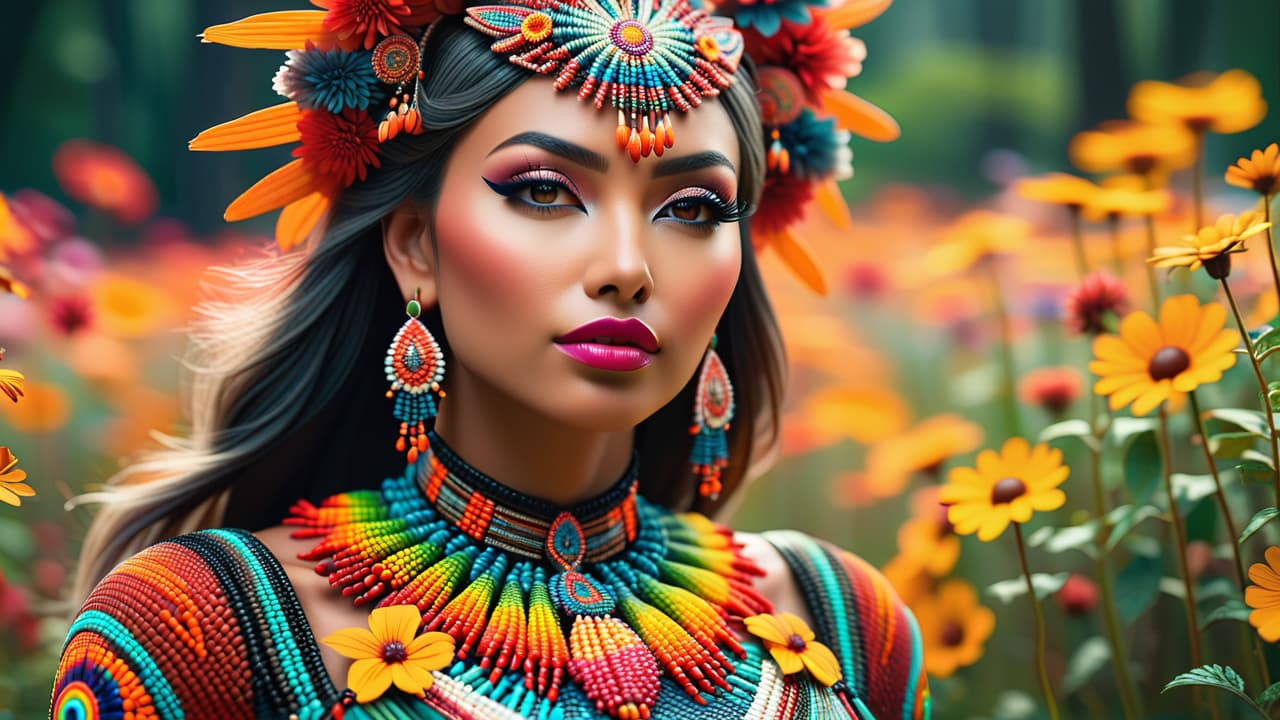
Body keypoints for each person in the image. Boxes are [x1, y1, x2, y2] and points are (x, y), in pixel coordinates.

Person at [49, 1, 929, 718]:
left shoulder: (845, 622)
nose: (627, 267)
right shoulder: (195, 631)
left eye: (694, 208)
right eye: (545, 192)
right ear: (415, 246)